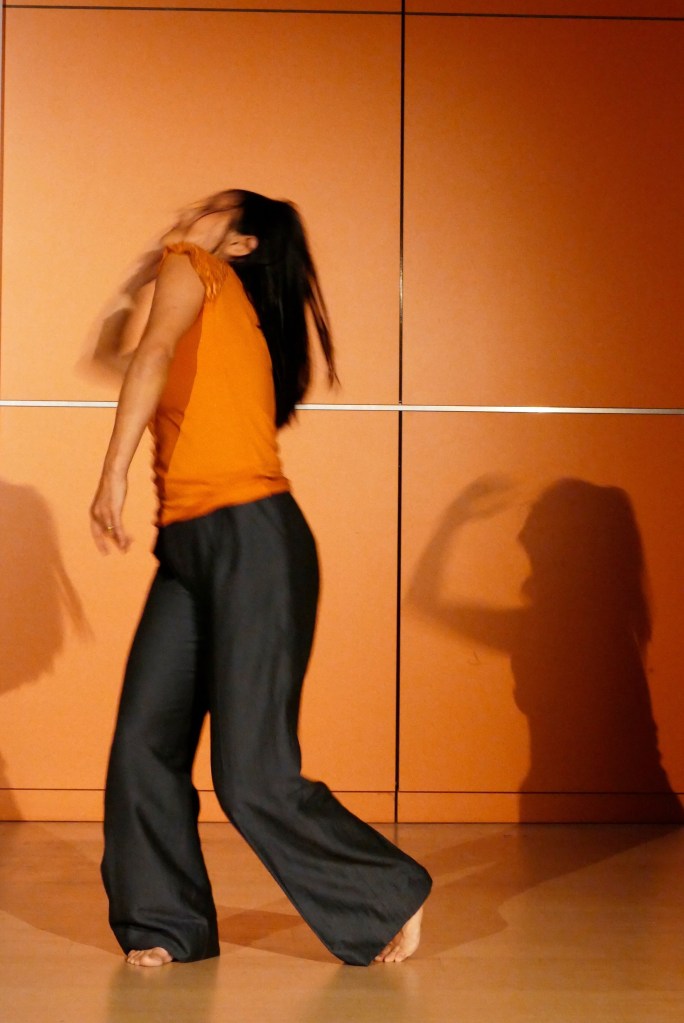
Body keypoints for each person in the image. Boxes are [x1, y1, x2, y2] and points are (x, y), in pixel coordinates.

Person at [90, 189, 431, 968]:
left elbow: (147, 357)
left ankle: (385, 890)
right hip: (190, 548)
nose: (188, 213)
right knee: (144, 742)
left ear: (241, 245)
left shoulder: (197, 268)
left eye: (214, 210)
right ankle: (164, 923)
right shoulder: (202, 298)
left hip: (252, 542)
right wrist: (134, 285)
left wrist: (111, 472)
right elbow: (122, 356)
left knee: (250, 775)